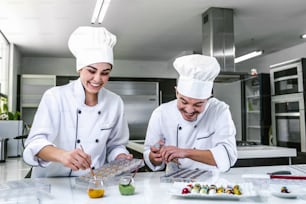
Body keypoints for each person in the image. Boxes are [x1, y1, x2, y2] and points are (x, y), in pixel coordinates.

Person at [23, 26, 133, 178]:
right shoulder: (55, 97)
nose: (97, 79)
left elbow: (115, 145)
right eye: (92, 71)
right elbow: (34, 143)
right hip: (51, 183)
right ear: (79, 69)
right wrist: (62, 155)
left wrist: (120, 157)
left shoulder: (115, 103)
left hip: (92, 183)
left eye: (105, 73)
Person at [143, 54, 237, 172]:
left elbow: (227, 155)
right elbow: (149, 154)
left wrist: (185, 152)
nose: (189, 110)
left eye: (198, 104)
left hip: (212, 185)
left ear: (208, 98)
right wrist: (155, 157)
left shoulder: (219, 111)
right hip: (173, 183)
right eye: (183, 101)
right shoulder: (161, 113)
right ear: (177, 92)